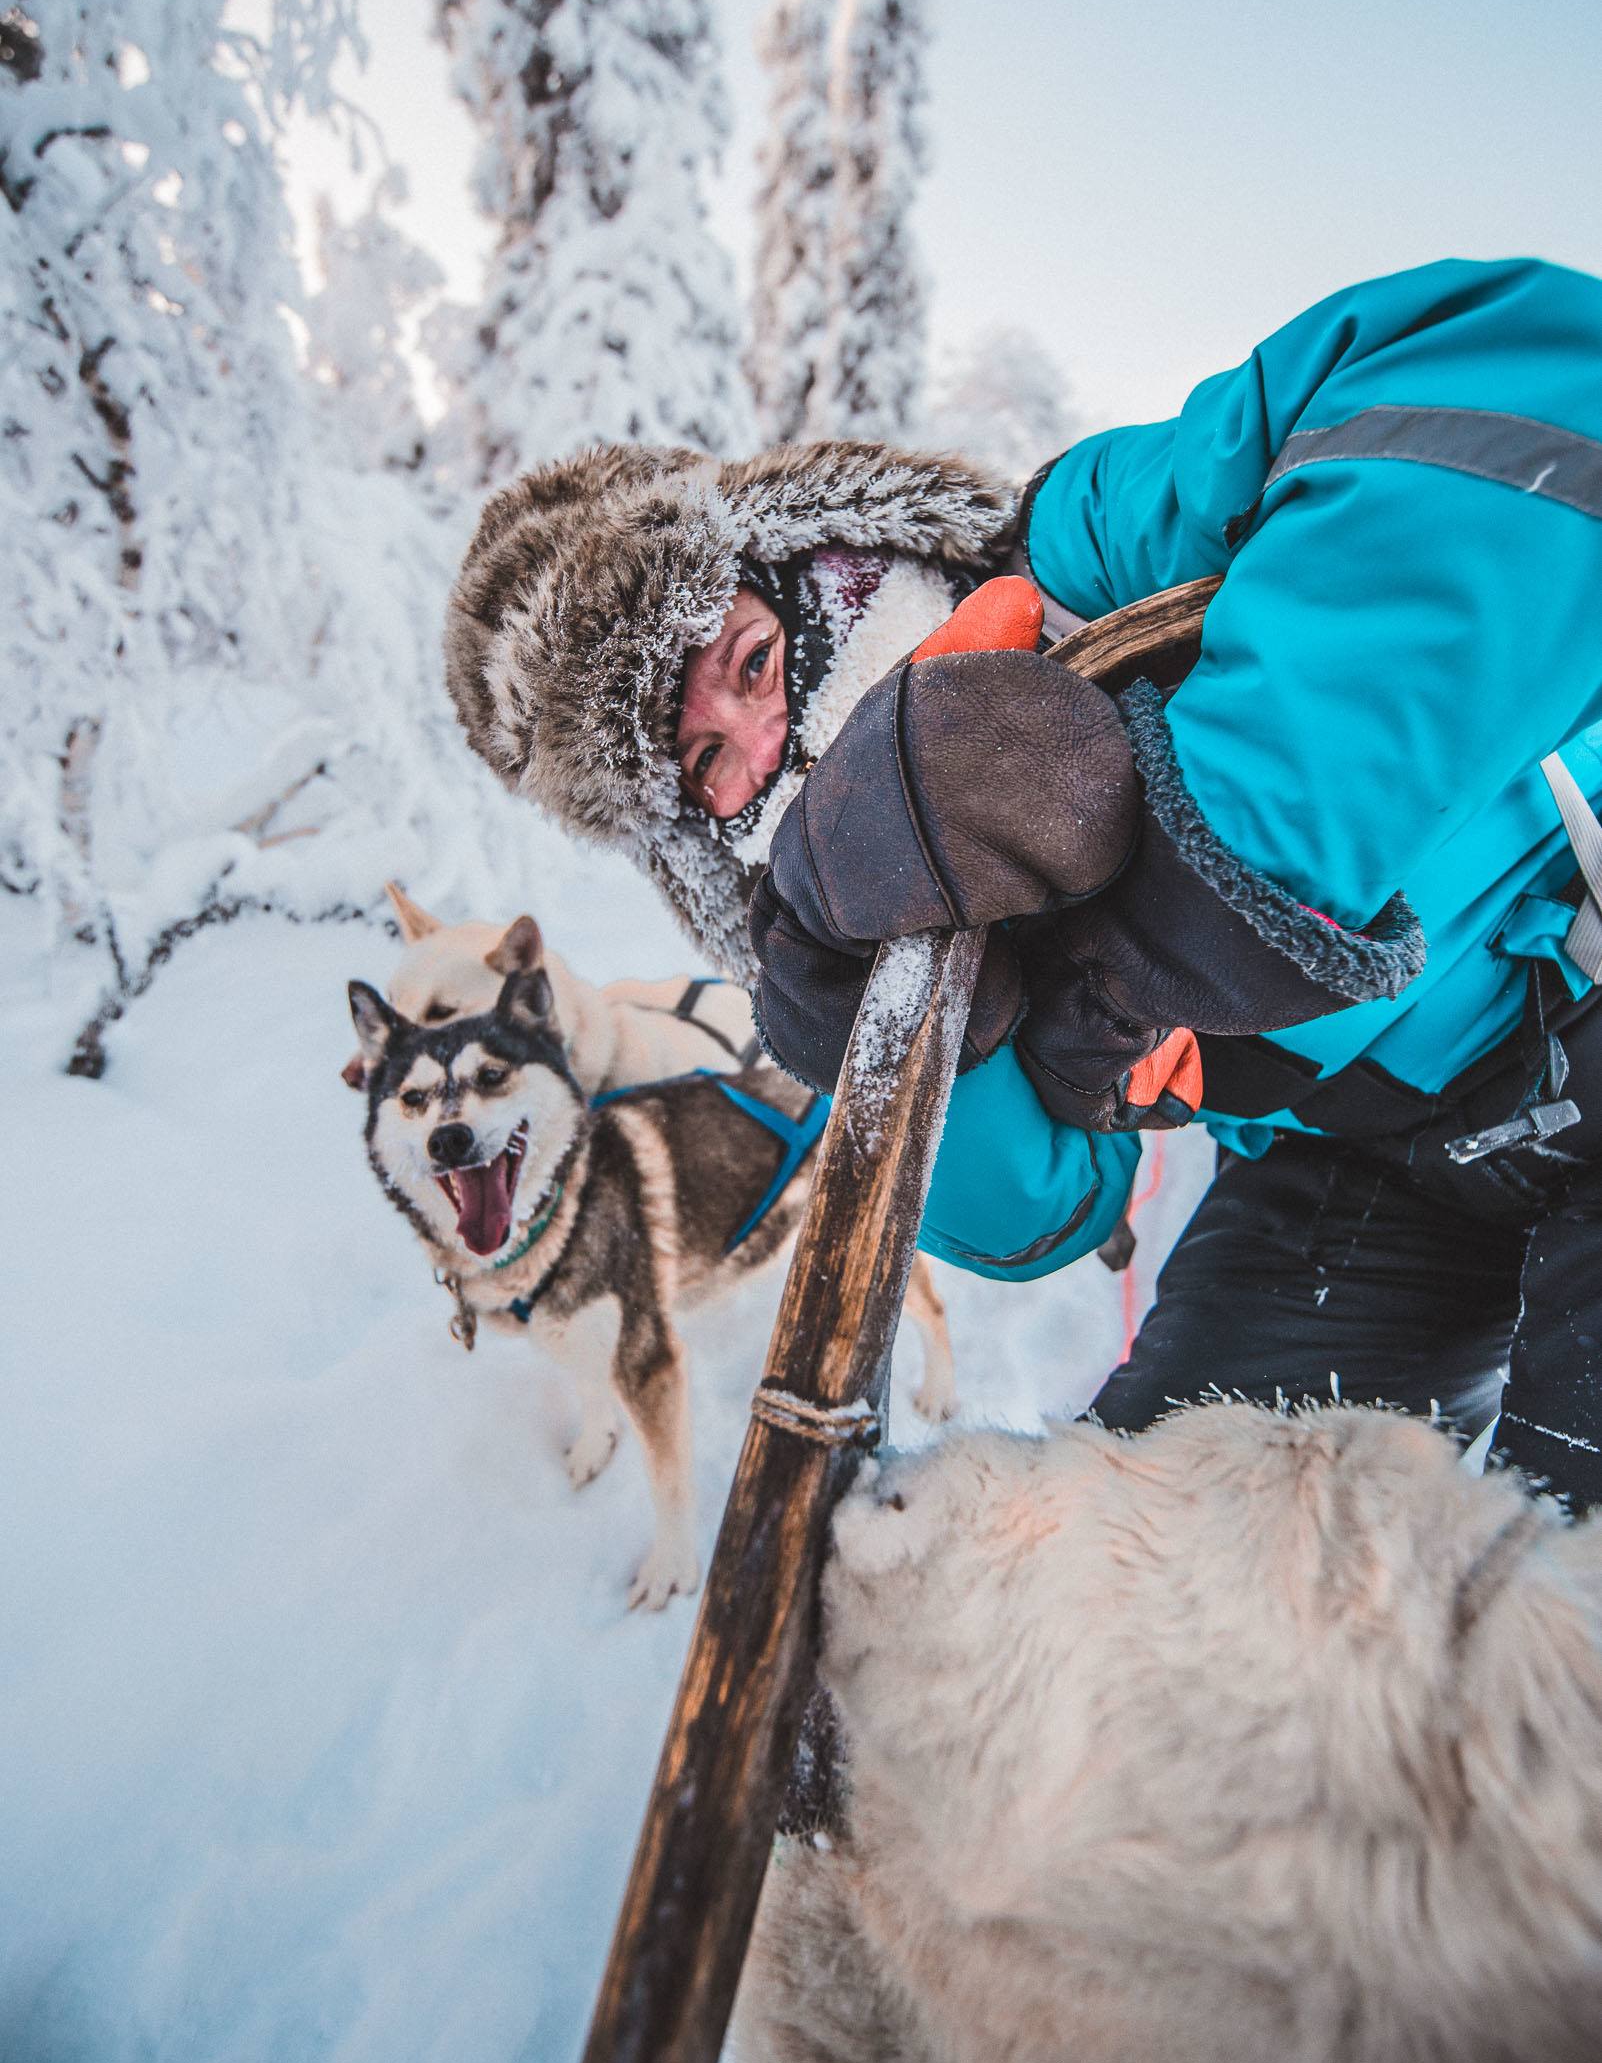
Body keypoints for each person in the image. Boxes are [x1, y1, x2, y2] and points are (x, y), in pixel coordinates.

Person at [445, 256, 1602, 1512]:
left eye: (751, 659)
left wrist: (1187, 904)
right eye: (706, 758)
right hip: (1353, 1164)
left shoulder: (1077, 551)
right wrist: (858, 1020)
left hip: (1578, 984)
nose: (762, 739)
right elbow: (1048, 1211)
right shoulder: (842, 918)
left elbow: (1520, 394)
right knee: (1152, 1581)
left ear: (810, 560)